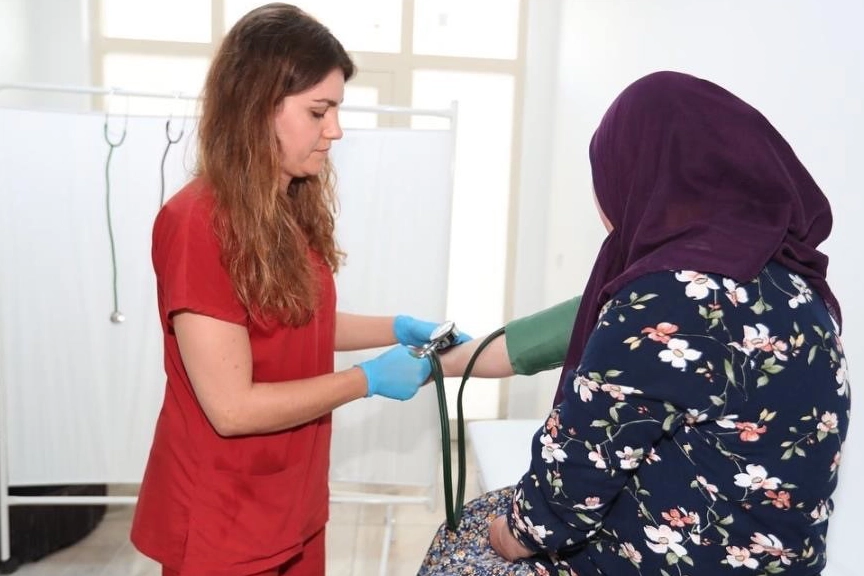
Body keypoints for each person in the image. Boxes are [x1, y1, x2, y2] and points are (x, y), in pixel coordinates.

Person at [419, 71, 851, 576]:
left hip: (667, 559)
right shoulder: (799, 290)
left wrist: (509, 536)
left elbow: (566, 490)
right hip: (772, 560)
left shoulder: (663, 298)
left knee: (462, 541)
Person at [129, 4, 466, 575]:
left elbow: (295, 326)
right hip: (225, 516)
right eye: (318, 111)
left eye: (336, 109)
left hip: (292, 499)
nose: (335, 130)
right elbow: (231, 408)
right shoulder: (197, 224)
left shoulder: (283, 208)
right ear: (257, 105)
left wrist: (396, 327)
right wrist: (365, 380)